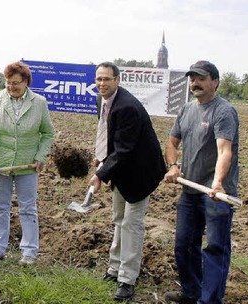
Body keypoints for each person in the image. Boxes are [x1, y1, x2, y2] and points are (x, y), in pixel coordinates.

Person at [163, 60, 239, 304]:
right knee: (183, 245)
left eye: (201, 79)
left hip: (216, 193)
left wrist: (217, 183)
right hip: (190, 190)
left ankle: (210, 300)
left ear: (214, 82)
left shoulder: (223, 111)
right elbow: (171, 143)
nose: (194, 83)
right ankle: (192, 291)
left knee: (216, 248)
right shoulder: (186, 110)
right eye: (192, 79)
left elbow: (224, 150)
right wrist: (173, 166)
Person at [89, 62, 166, 301]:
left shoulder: (128, 107)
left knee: (132, 225)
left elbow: (123, 150)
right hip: (121, 171)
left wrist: (101, 174)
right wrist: (101, 157)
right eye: (99, 79)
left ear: (118, 80)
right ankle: (114, 268)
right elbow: (109, 134)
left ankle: (127, 279)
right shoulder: (102, 100)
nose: (102, 84)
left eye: (107, 79)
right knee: (118, 219)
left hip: (140, 173)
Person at [0, 62, 55, 266]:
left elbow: (48, 133)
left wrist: (40, 157)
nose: (11, 87)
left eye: (16, 83)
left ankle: (29, 251)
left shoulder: (39, 102)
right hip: (0, 163)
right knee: (0, 206)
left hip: (27, 165)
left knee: (28, 208)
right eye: (8, 83)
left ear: (26, 82)